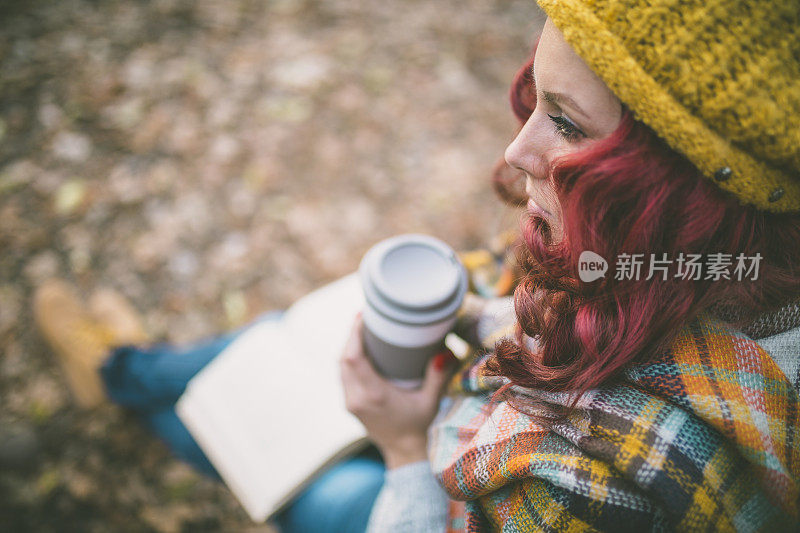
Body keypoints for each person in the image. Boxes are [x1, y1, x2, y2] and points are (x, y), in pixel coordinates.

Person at [34, 0, 800, 531]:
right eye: (536, 96)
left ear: (680, 197)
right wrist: (470, 307)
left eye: (565, 122)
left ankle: (118, 378)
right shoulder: (715, 260)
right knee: (289, 333)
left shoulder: (587, 481)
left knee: (279, 450)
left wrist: (402, 450)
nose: (517, 149)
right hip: (466, 402)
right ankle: (121, 367)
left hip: (419, 496)